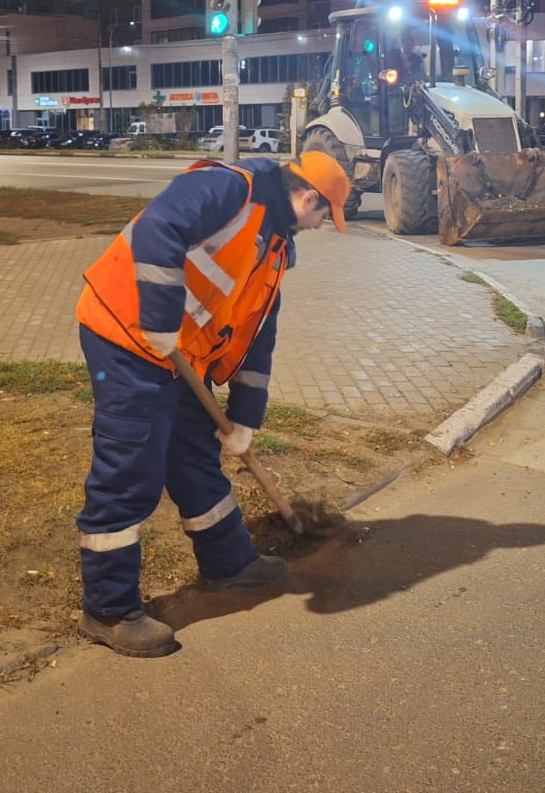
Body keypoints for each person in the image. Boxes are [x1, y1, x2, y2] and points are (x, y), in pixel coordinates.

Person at [72, 150, 350, 657]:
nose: (319, 227)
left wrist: (245, 418)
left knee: (194, 455)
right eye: (322, 217)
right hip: (125, 333)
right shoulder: (230, 189)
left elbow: (256, 336)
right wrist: (158, 321)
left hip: (179, 356)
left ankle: (229, 563)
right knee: (131, 466)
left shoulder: (276, 249)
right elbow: (159, 229)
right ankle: (108, 609)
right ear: (309, 198)